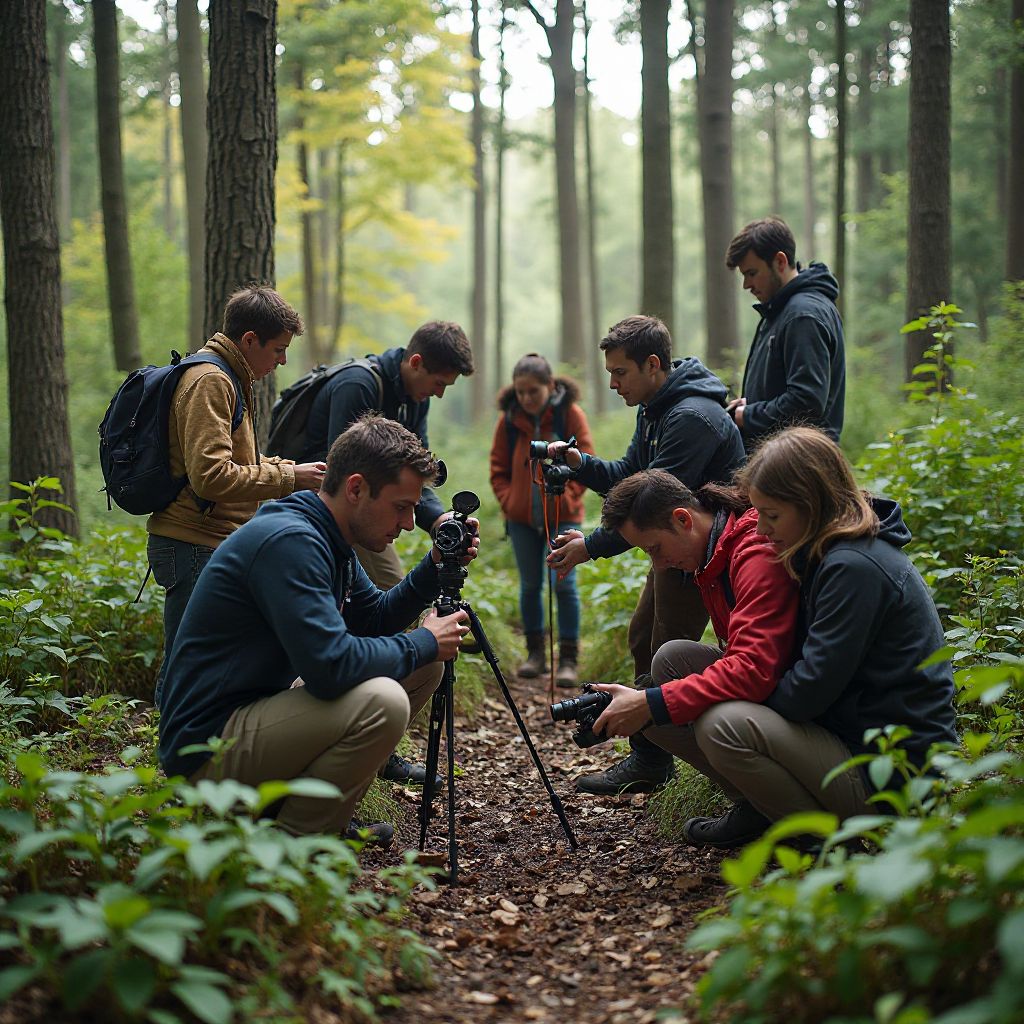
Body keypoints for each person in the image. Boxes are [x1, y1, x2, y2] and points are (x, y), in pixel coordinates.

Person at [612, 427, 957, 849]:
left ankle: (823, 843)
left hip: (896, 774)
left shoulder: (854, 568)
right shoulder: (827, 554)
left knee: (724, 724)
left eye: (772, 516)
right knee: (677, 672)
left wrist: (725, 696)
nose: (762, 530)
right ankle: (762, 805)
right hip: (854, 739)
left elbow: (807, 692)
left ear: (810, 502)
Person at [157, 415, 479, 846]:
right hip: (207, 747)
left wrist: (435, 564)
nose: (407, 524)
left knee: (424, 668)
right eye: (401, 506)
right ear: (356, 488)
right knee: (382, 701)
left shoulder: (329, 538)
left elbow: (374, 618)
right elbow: (331, 667)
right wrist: (423, 639)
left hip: (258, 712)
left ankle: (317, 816)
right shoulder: (290, 541)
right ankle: (292, 851)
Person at [544, 315, 747, 794]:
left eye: (620, 372)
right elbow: (630, 477)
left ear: (653, 365)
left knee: (665, 650)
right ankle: (650, 754)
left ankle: (666, 758)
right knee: (642, 638)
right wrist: (580, 464)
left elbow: (651, 506)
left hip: (703, 549)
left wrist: (589, 547)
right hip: (674, 548)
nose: (612, 383)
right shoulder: (656, 408)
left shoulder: (690, 419)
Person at [299, 321, 474, 784]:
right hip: (330, 510)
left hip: (352, 512)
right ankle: (364, 739)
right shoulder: (359, 385)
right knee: (391, 603)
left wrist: (440, 530)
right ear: (415, 363)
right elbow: (349, 469)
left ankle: (374, 743)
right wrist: (420, 641)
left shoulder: (409, 397)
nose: (438, 394)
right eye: (438, 383)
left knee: (392, 618)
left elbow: (412, 471)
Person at [147, 284, 327, 701]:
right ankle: (172, 758)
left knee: (207, 658)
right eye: (278, 349)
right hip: (192, 543)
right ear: (249, 340)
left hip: (212, 541)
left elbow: (240, 461)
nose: (282, 360)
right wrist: (289, 479)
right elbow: (211, 477)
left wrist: (291, 470)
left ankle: (198, 750)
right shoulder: (210, 381)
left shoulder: (229, 375)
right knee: (185, 665)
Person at [489, 353, 594, 686]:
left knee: (563, 584)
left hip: (563, 517)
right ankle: (536, 654)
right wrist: (510, 502)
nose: (526, 398)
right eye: (520, 392)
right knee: (530, 585)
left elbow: (586, 460)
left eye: (533, 391)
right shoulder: (508, 420)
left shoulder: (569, 415)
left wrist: (571, 495)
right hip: (521, 520)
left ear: (550, 385)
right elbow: (498, 469)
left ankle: (568, 660)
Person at [725, 217, 846, 452]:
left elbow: (806, 402)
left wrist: (749, 416)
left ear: (780, 261)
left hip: (799, 467)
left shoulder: (803, 316)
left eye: (751, 273)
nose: (746, 285)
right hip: (784, 462)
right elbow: (789, 390)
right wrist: (753, 404)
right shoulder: (782, 311)